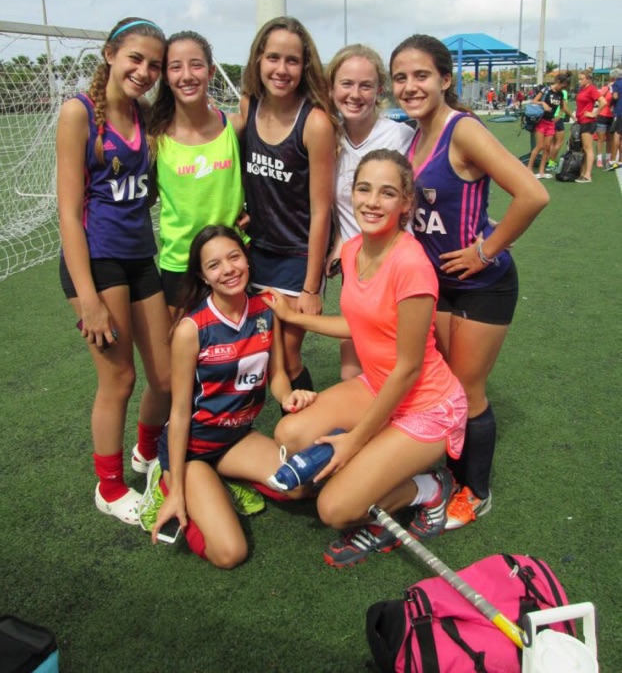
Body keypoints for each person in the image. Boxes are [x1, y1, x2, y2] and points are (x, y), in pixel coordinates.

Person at [264, 149, 469, 567]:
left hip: (425, 404)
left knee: (334, 510)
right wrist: (289, 314)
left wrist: (353, 442)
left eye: (387, 192)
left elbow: (409, 368)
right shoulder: (354, 248)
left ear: (406, 203)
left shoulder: (411, 265)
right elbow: (360, 325)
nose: (372, 201)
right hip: (378, 384)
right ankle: (374, 459)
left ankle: (428, 486)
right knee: (289, 434)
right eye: (364, 189)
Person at [389, 34, 549, 531]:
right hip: (438, 285)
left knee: (468, 387)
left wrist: (486, 250)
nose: (410, 86)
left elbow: (533, 194)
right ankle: (447, 474)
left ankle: (475, 493)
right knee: (442, 387)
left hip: (484, 284)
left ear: (444, 79)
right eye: (400, 77)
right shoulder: (414, 136)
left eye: (420, 75)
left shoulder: (464, 130)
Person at [56, 17, 172, 525]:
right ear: (109, 55)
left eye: (154, 65)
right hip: (96, 264)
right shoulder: (78, 113)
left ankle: (146, 454)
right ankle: (108, 487)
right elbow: (66, 211)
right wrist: (88, 298)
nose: (145, 71)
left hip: (140, 258)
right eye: (136, 59)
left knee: (166, 378)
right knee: (120, 378)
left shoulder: (148, 118)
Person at [144, 225, 316, 568]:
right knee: (229, 553)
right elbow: (178, 414)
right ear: (203, 276)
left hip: (236, 439)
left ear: (247, 259)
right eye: (214, 265)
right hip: (192, 450)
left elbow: (278, 375)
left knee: (302, 487)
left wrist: (288, 397)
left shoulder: (267, 309)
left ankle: (222, 482)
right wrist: (177, 489)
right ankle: (164, 485)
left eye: (234, 256)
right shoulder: (191, 330)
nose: (228, 269)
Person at [239, 16, 338, 392]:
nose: (281, 69)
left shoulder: (314, 122)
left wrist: (312, 288)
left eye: (292, 61)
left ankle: (301, 439)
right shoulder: (249, 105)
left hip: (297, 258)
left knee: (287, 357)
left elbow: (322, 211)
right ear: (258, 60)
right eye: (273, 58)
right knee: (260, 353)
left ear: (305, 65)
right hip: (255, 252)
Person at [324, 44, 414, 379]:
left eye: (366, 85)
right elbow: (330, 201)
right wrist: (337, 239)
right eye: (346, 84)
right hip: (354, 268)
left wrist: (484, 225)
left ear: (380, 90)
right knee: (352, 371)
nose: (355, 94)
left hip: (396, 269)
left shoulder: (401, 136)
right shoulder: (326, 137)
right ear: (332, 87)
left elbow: (433, 189)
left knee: (400, 365)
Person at [148, 31, 246, 312]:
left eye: (196, 65)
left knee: (242, 350)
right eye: (176, 67)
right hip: (181, 265)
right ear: (166, 76)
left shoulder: (236, 128)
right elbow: (146, 198)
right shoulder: (155, 139)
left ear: (211, 71)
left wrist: (254, 211)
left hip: (233, 262)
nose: (187, 75)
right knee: (181, 351)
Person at [526, 75, 569, 179]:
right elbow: (533, 101)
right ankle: (529, 168)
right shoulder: (546, 89)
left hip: (551, 123)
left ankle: (541, 171)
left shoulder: (560, 94)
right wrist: (543, 103)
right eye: (562, 85)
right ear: (558, 82)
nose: (563, 88)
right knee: (539, 146)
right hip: (541, 121)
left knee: (547, 148)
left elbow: (563, 107)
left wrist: (558, 117)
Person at [572, 68, 601, 183]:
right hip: (581, 121)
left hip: (588, 122)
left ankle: (587, 175)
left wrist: (594, 113)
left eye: (581, 79)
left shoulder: (591, 89)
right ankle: (583, 172)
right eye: (579, 79)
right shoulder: (582, 89)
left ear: (588, 79)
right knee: (583, 147)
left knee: (588, 148)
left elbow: (603, 102)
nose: (579, 81)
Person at [607, 67, 622, 170]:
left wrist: (611, 102)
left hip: (619, 111)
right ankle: (620, 160)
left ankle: (612, 160)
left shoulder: (616, 84)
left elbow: (615, 96)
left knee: (616, 135)